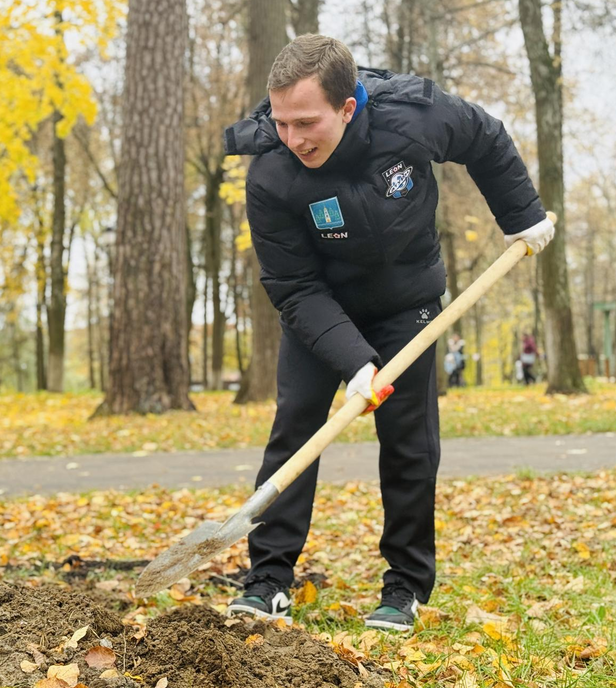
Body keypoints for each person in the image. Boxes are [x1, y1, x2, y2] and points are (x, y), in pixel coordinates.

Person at [222, 35, 553, 632]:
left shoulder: (413, 118)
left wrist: (522, 217)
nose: (294, 138)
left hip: (408, 306)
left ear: (348, 107)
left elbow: (485, 138)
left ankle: (404, 587)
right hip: (321, 311)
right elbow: (293, 286)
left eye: (307, 121)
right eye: (281, 121)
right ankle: (268, 578)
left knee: (408, 442)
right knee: (296, 428)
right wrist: (354, 362)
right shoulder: (271, 173)